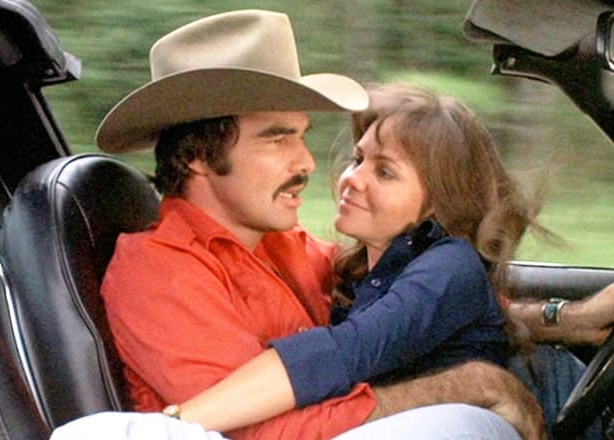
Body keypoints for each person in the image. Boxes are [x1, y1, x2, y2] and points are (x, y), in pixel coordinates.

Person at [96, 9, 544, 440]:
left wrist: (555, 318)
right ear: (197, 156)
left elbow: (411, 305)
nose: (307, 163)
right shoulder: (159, 273)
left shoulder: (281, 244)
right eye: (277, 138)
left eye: (302, 136)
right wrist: (465, 386)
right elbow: (266, 435)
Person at [161, 82, 543, 434]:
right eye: (357, 159)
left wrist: (175, 423)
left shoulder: (450, 264)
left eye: (385, 172)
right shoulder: (357, 272)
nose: (353, 178)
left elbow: (348, 350)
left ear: (439, 201)